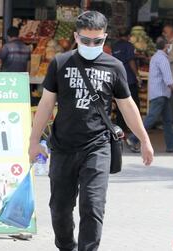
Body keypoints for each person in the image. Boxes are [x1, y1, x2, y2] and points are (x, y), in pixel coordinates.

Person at [28, 11, 154, 251]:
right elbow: (46, 104)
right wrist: (34, 141)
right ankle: (66, 246)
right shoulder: (61, 63)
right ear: (76, 37)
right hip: (63, 147)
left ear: (105, 38)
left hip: (98, 147)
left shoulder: (114, 66)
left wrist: (144, 140)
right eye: (86, 40)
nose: (92, 45)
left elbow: (127, 105)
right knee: (60, 207)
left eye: (98, 41)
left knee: (93, 206)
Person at [126, 37, 173, 153]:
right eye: (169, 45)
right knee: (151, 118)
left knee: (168, 121)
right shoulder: (163, 59)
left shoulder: (155, 57)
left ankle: (171, 146)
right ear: (166, 46)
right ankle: (133, 138)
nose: (170, 47)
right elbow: (168, 79)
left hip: (160, 94)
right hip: (161, 95)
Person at [112, 27, 141, 129]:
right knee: (133, 103)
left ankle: (121, 126)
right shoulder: (129, 46)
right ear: (129, 36)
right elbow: (131, 61)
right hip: (129, 79)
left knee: (120, 104)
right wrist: (137, 75)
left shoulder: (115, 46)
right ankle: (133, 126)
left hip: (117, 79)